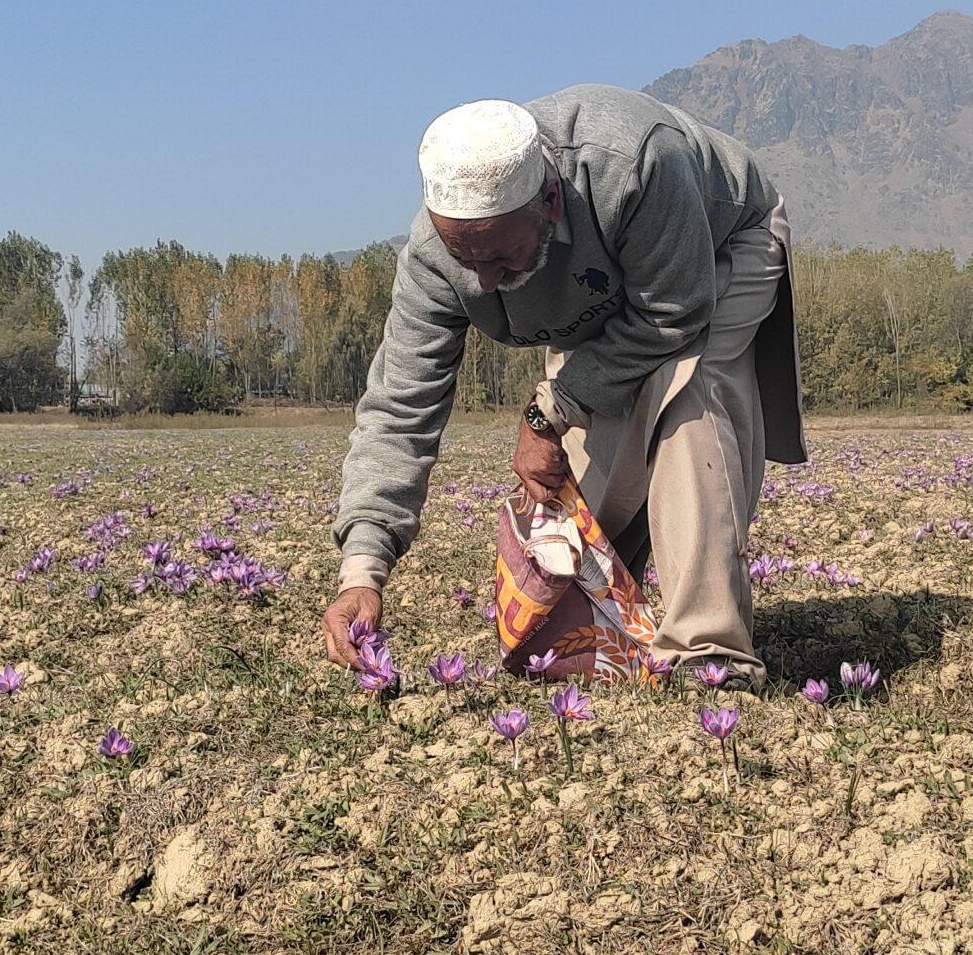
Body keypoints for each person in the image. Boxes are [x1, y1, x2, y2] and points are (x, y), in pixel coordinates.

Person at [320, 84, 805, 690]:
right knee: (576, 514)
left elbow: (673, 313)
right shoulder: (440, 261)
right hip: (604, 297)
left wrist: (548, 411)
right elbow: (399, 407)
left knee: (683, 389)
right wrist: (362, 570)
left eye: (501, 257)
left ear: (550, 201)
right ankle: (624, 614)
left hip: (718, 252)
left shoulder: (634, 162)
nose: (484, 281)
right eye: (463, 257)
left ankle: (710, 650)